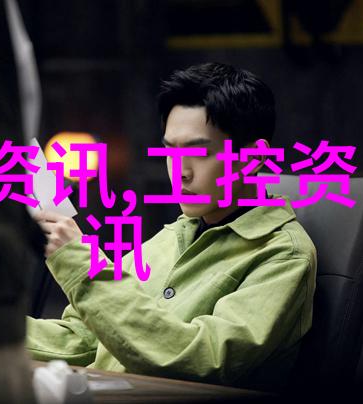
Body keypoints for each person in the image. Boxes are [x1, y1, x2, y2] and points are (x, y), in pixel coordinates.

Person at [26, 62, 317, 391]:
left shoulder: (283, 256)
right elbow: (83, 339)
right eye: (170, 151)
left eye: (200, 152)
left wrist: (82, 262)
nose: (180, 172)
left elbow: (198, 359)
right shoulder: (170, 238)